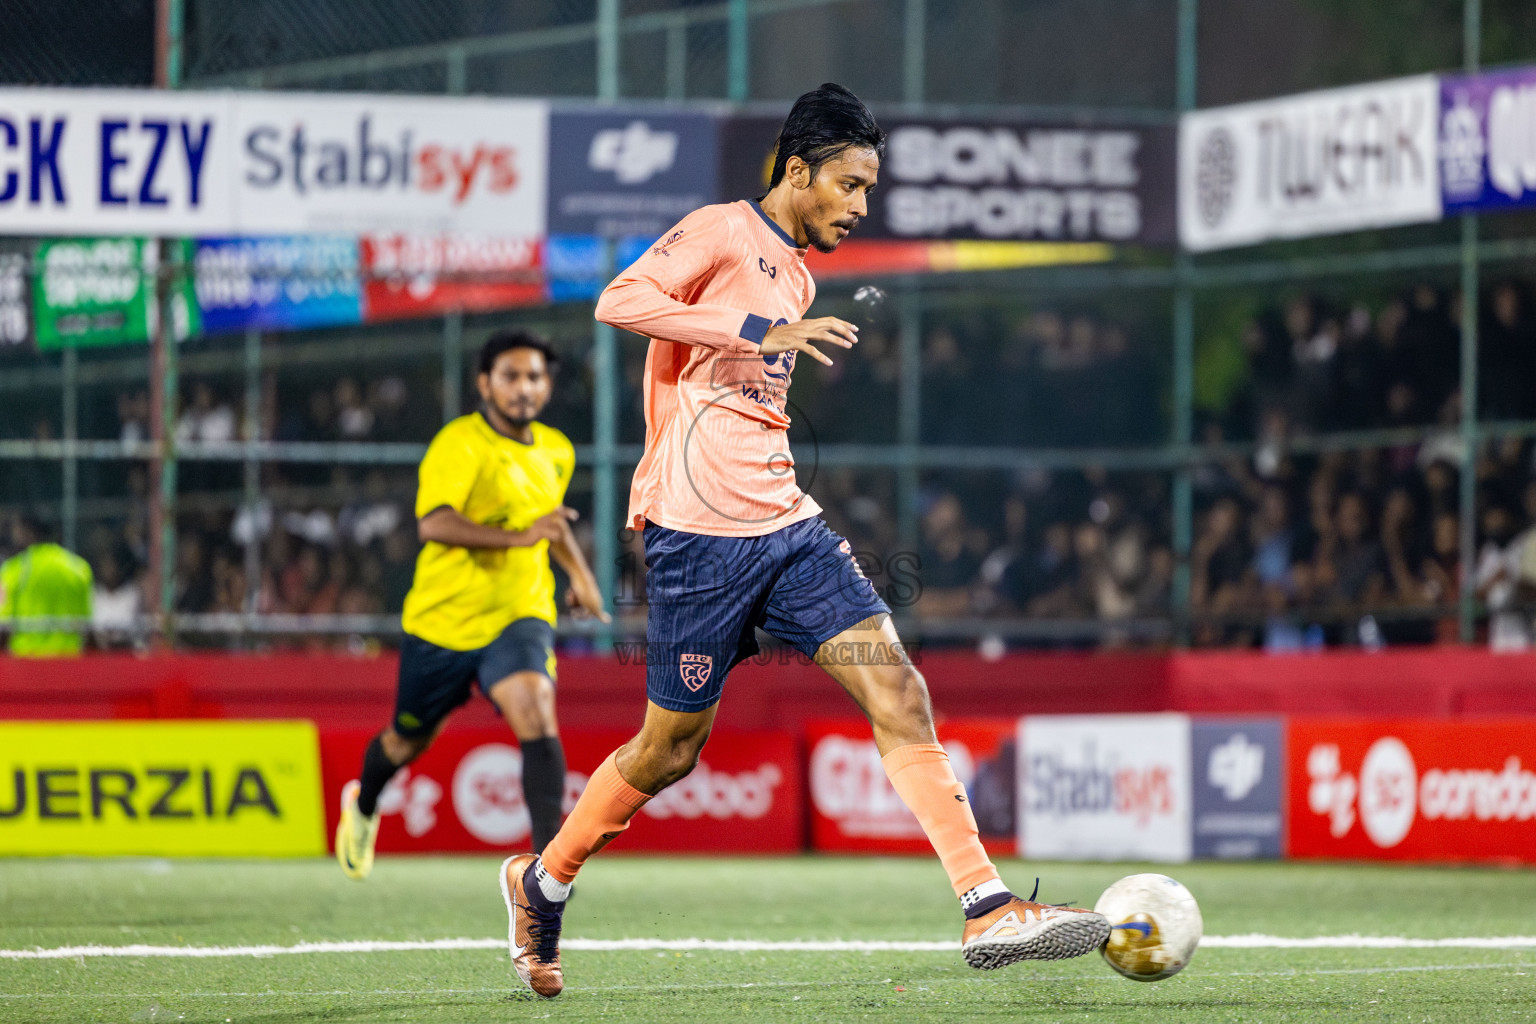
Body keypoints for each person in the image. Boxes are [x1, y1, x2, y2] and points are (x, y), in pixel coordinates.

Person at [498, 83, 1109, 1000]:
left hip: (788, 530)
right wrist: (755, 327)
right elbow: (621, 300)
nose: (862, 207)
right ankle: (542, 882)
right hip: (695, 538)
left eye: (869, 189)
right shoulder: (720, 230)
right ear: (798, 169)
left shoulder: (803, 273)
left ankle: (986, 904)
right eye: (852, 185)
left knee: (898, 685)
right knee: (670, 750)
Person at [335, 330, 610, 880]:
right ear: (485, 383)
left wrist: (580, 575)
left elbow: (549, 524)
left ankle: (546, 871)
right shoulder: (459, 444)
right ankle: (363, 807)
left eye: (534, 377)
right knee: (405, 741)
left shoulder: (556, 450)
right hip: (443, 622)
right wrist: (520, 536)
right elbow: (434, 521)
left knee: (536, 709)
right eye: (510, 376)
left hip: (518, 614)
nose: (523, 388)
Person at [0, 513, 92, 657]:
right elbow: (87, 626)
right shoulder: (79, 567)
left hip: (26, 663)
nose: (13, 534)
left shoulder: (13, 570)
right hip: (69, 661)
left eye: (16, 529)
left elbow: (3, 626)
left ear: (29, 531)